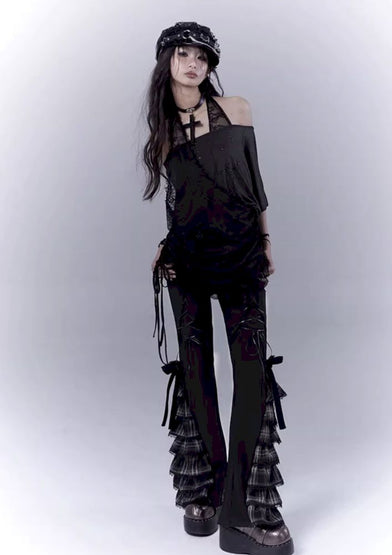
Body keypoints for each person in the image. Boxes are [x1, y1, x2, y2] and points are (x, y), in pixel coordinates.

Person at [141, 21, 295, 555]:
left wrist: (265, 239)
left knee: (251, 376)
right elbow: (179, 199)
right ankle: (206, 488)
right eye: (183, 54)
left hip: (240, 252)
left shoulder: (236, 109)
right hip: (186, 259)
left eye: (202, 57)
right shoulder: (163, 130)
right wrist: (167, 243)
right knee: (196, 371)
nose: (193, 64)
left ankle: (241, 513)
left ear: (210, 67)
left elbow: (254, 183)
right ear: (167, 61)